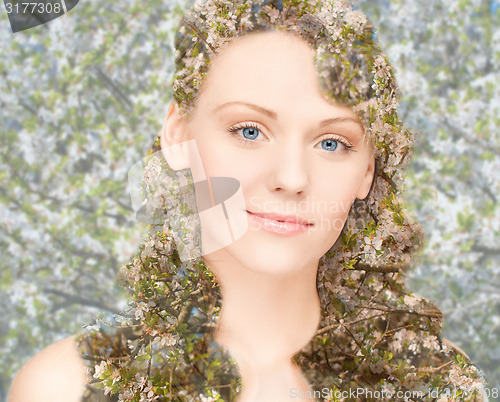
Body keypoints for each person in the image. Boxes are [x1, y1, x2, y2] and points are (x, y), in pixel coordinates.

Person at [8, 0, 487, 401]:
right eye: (250, 131)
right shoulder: (67, 388)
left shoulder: (432, 380)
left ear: (367, 169)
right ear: (178, 135)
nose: (291, 178)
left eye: (332, 142)